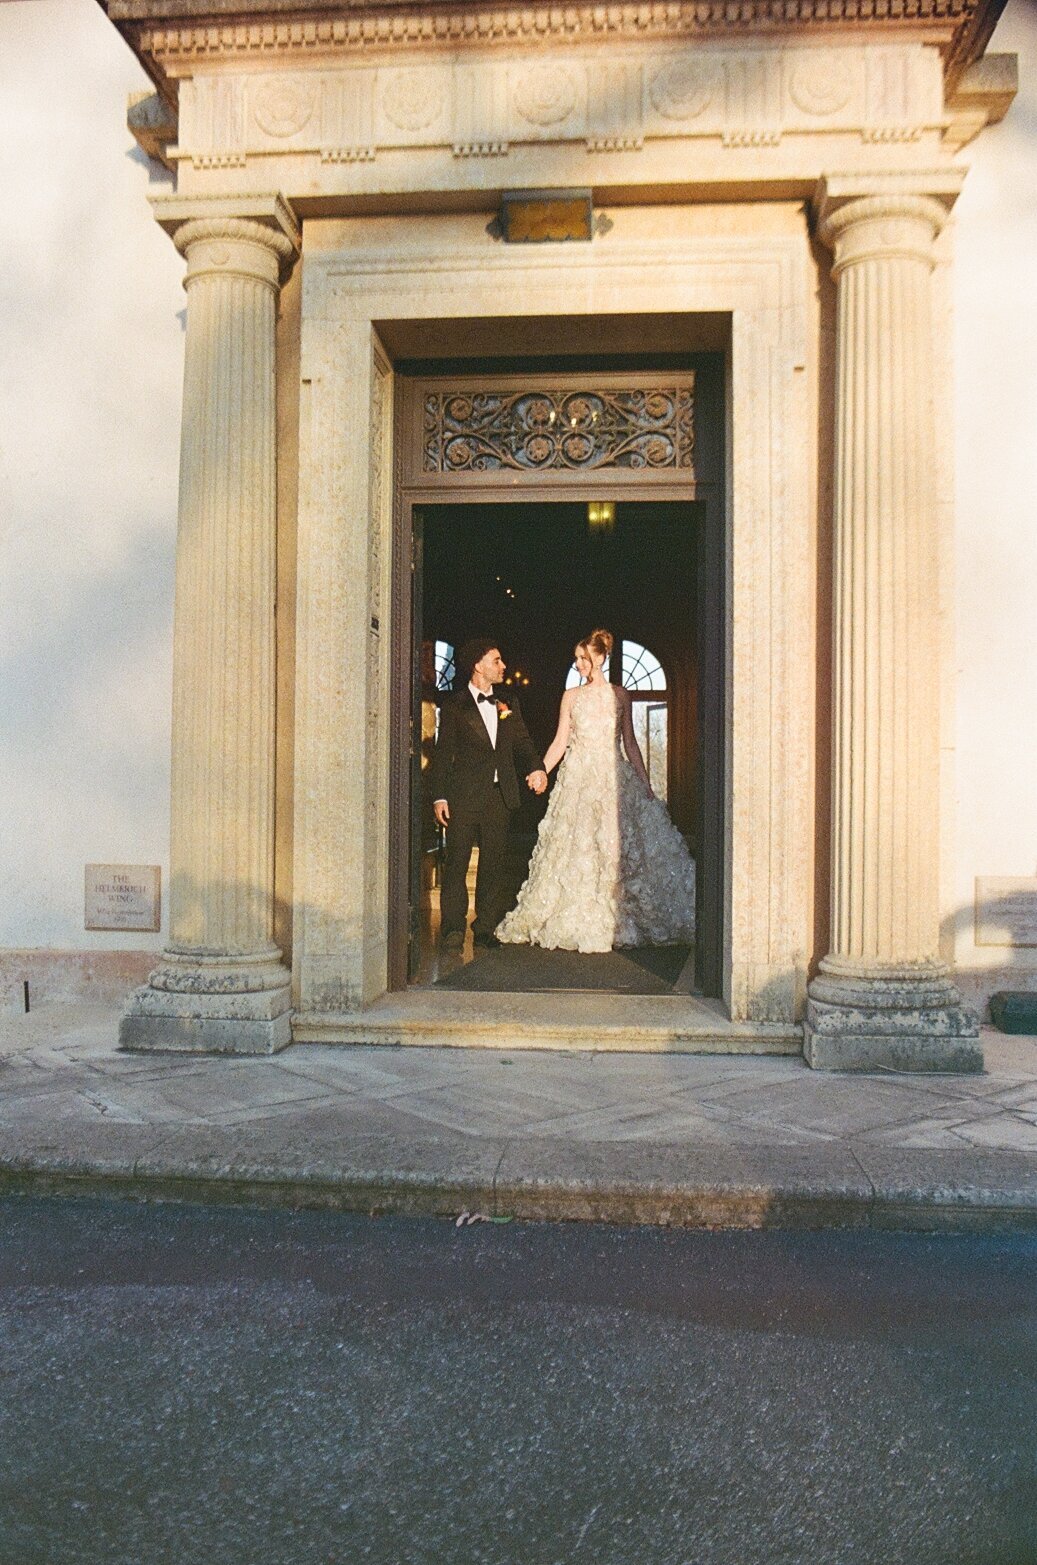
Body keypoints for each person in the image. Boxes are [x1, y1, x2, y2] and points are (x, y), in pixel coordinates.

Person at [496, 628, 695, 953]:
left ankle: (619, 916)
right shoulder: (571, 697)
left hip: (614, 780)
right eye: (576, 659)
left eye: (584, 658)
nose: (578, 665)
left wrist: (646, 784)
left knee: (618, 847)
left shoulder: (620, 695)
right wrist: (541, 770)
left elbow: (630, 743)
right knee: (581, 848)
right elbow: (560, 741)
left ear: (600, 658)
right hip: (578, 783)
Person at [430, 638, 547, 951]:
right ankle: (453, 929)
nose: (503, 666)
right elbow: (443, 754)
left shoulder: (509, 701)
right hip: (464, 797)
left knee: (493, 865)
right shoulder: (454, 705)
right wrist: (439, 796)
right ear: (478, 666)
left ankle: (485, 927)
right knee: (456, 864)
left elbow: (522, 741)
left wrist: (536, 768)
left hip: (500, 796)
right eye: (496, 660)